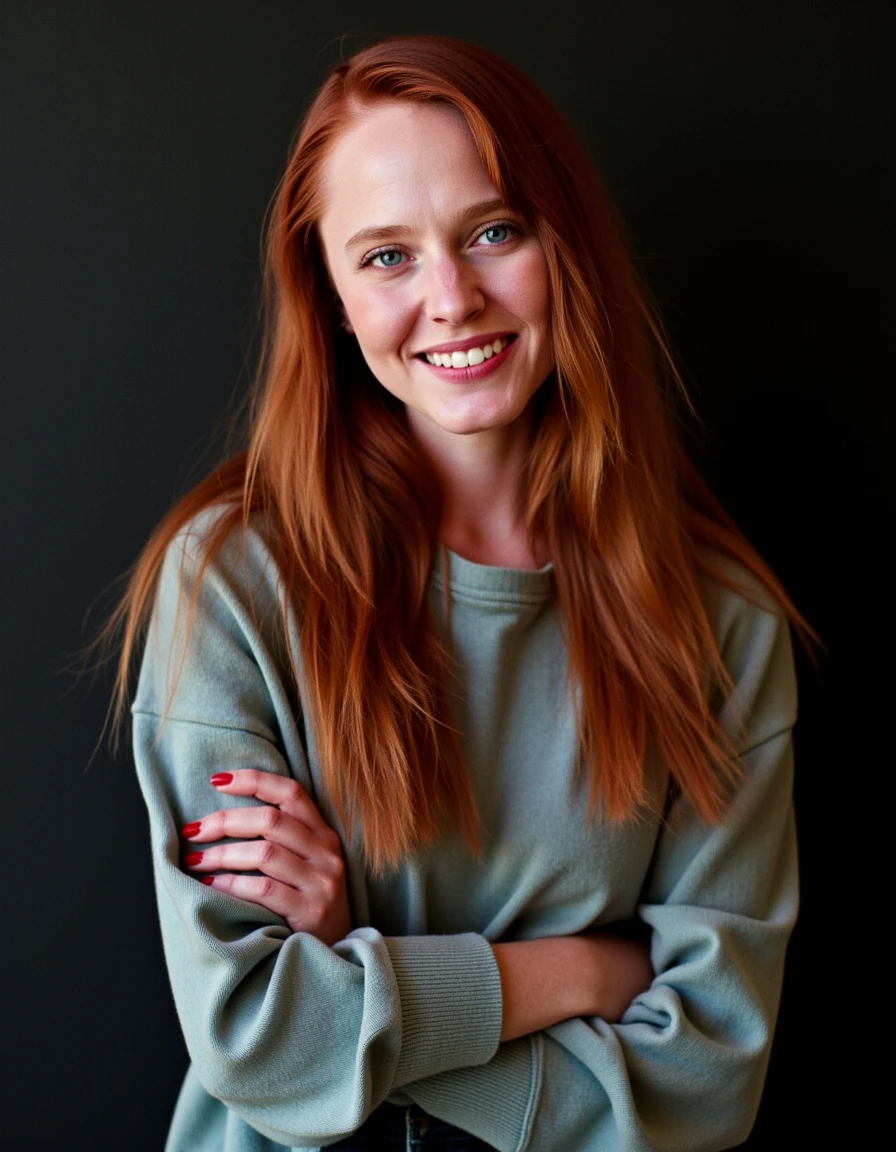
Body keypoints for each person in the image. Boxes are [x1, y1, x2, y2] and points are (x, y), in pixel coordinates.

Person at [113, 34, 810, 1152]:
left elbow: (706, 1081)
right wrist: (587, 970)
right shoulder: (234, 582)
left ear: (561, 243)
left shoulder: (720, 620)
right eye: (385, 256)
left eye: (492, 232)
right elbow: (258, 1041)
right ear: (330, 297)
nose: (450, 297)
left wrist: (361, 981)